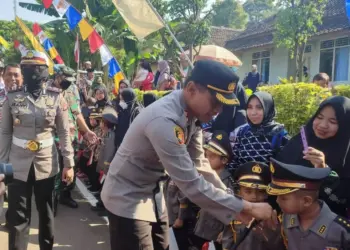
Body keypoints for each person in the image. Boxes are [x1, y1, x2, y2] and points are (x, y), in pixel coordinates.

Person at [101, 60, 274, 250]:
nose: (218, 110)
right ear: (191, 89)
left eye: (223, 104)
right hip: (127, 196)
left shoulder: (192, 114)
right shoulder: (165, 121)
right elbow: (190, 183)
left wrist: (231, 200)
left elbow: (200, 164)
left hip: (153, 194)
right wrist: (245, 207)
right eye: (216, 101)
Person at [0, 50, 75, 250]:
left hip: (46, 163)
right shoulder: (12, 98)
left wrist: (69, 163)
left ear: (44, 71)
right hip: (17, 164)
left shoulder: (57, 98)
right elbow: (5, 133)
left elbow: (64, 132)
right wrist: (2, 167)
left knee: (47, 213)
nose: (32, 72)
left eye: (36, 68)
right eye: (27, 68)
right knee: (18, 217)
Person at [276, 96, 350, 217]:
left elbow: (341, 199)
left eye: (333, 121)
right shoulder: (299, 142)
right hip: (288, 220)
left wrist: (322, 169)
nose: (323, 125)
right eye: (319, 117)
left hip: (328, 226)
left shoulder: (346, 153)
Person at [267, 158, 350, 250]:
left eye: (283, 198)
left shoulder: (342, 231)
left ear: (306, 201)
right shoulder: (284, 219)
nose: (277, 201)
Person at [51, 65, 98, 210]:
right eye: (65, 79)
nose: (68, 82)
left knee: (71, 165)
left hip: (70, 135)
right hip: (52, 135)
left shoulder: (72, 89)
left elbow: (77, 113)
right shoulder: (44, 89)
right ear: (57, 76)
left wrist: (86, 131)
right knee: (52, 167)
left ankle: (65, 194)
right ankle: (49, 195)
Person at [221, 162, 281, 250]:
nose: (254, 196)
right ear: (239, 192)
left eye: (260, 192)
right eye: (248, 191)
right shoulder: (233, 217)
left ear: (267, 194)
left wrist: (270, 232)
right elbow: (227, 245)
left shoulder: (273, 218)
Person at [194, 131, 235, 250]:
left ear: (224, 160)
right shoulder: (205, 176)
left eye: (212, 156)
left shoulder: (227, 182)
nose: (207, 159)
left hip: (216, 231)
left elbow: (230, 208)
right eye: (206, 155)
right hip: (202, 225)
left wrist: (225, 231)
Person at [229, 91, 289, 170]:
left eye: (259, 107)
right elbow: (234, 161)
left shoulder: (279, 134)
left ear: (268, 108)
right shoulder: (243, 131)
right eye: (249, 107)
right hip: (241, 180)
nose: (253, 113)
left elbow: (284, 168)